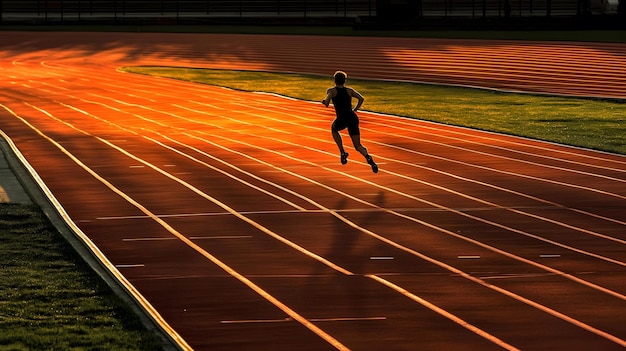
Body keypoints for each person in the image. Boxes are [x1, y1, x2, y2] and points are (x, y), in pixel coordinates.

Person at [322, 71, 378, 173]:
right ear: (345, 81)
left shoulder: (332, 91)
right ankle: (368, 157)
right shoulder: (349, 91)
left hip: (342, 118)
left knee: (334, 129)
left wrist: (324, 101)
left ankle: (342, 152)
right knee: (358, 145)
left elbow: (326, 102)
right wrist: (355, 109)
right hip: (352, 117)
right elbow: (361, 98)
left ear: (335, 80)